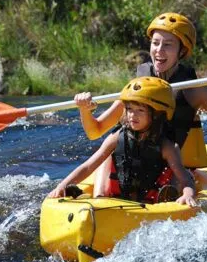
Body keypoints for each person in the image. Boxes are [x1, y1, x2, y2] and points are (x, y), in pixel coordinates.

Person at [74, 12, 207, 196]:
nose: (159, 50)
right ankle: (99, 201)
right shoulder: (139, 85)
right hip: (132, 166)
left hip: (172, 167)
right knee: (108, 157)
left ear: (181, 51)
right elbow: (95, 130)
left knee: (176, 176)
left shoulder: (195, 90)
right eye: (155, 43)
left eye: (168, 45)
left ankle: (171, 201)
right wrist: (85, 111)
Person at [48, 77, 197, 207]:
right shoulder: (117, 137)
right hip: (124, 192)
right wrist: (63, 185)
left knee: (176, 176)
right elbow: (88, 166)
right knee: (107, 157)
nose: (132, 115)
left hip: (154, 195)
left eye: (140, 110)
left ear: (157, 115)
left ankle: (169, 197)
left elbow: (185, 181)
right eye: (130, 109)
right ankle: (100, 198)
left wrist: (188, 194)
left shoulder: (167, 147)